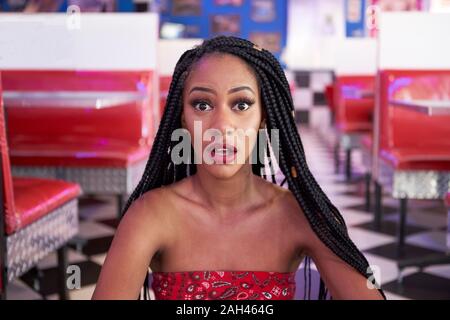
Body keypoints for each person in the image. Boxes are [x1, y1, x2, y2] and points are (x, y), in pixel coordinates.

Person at [92, 36, 386, 300]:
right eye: (202, 105)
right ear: (182, 118)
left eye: (241, 105)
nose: (222, 126)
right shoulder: (150, 215)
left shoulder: (300, 214)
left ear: (263, 118)